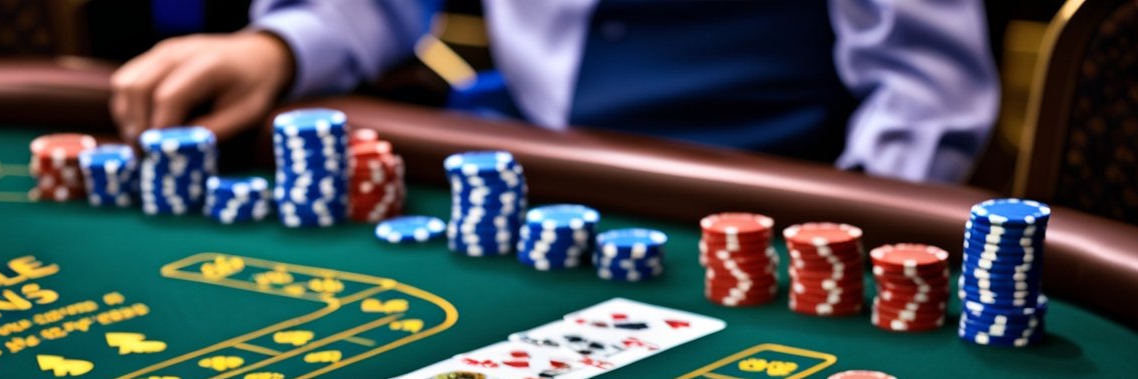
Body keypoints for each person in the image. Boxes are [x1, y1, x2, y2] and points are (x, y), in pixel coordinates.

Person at [110, 0, 999, 183]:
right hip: (518, 160)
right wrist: (279, 46)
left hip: (765, 186)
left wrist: (848, 244)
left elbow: (924, 89)